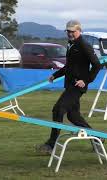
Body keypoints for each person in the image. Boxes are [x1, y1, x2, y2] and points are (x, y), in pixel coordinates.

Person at [36, 20, 101, 154]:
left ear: (79, 31)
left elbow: (97, 64)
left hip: (77, 86)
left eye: (73, 31)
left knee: (58, 109)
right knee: (73, 116)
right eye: (68, 31)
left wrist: (86, 80)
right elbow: (69, 66)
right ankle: (97, 138)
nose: (70, 34)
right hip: (70, 85)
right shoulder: (71, 44)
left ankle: (51, 144)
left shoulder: (84, 45)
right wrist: (55, 75)